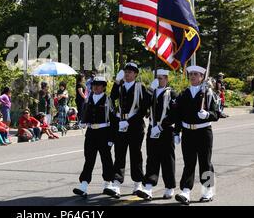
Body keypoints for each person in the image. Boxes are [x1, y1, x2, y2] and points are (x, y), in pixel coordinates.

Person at [174, 65, 220, 205]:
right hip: (188, 132)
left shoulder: (208, 93)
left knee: (205, 162)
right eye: (191, 74)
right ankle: (186, 191)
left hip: (203, 132)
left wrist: (207, 115)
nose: (192, 76)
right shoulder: (184, 94)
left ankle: (208, 190)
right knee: (189, 163)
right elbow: (178, 115)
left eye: (195, 74)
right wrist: (177, 131)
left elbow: (216, 114)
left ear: (202, 77)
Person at [73, 76, 119, 199]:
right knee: (89, 159)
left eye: (99, 85)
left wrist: (112, 138)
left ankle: (108, 183)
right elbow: (85, 113)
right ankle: (83, 184)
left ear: (104, 87)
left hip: (104, 131)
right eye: (94, 85)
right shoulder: (88, 99)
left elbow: (114, 120)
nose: (96, 87)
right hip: (91, 132)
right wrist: (83, 121)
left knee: (106, 159)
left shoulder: (108, 100)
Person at [136, 69, 178, 201]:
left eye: (161, 78)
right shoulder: (152, 92)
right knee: (152, 158)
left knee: (167, 159)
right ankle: (148, 187)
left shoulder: (172, 93)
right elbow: (143, 107)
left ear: (166, 79)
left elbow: (174, 114)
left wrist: (161, 126)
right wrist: (149, 90)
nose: (159, 80)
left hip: (165, 131)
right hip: (152, 129)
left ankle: (169, 187)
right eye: (157, 78)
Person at [110, 62, 149, 197]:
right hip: (121, 124)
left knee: (135, 155)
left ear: (135, 74)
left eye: (130, 72)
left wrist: (129, 121)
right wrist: (116, 82)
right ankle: (116, 183)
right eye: (126, 72)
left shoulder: (140, 87)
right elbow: (112, 98)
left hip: (135, 126)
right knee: (119, 153)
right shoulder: (120, 86)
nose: (127, 74)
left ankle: (138, 183)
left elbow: (144, 108)